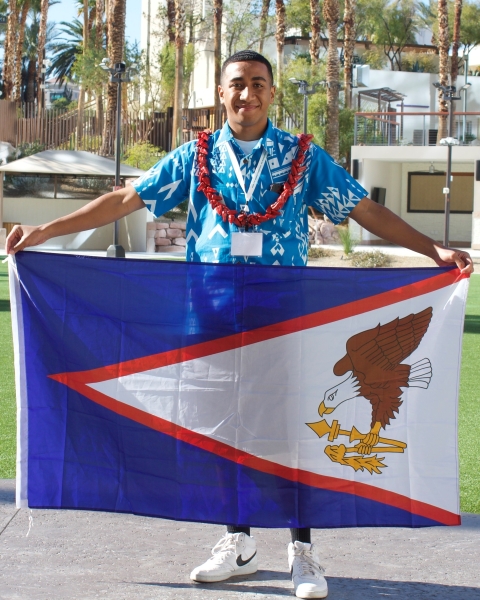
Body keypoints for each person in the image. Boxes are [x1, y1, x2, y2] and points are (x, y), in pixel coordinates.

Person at [6, 50, 473, 599]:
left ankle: (303, 550)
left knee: (293, 433)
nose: (247, 94)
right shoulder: (194, 155)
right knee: (226, 431)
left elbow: (363, 209)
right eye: (236, 85)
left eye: (257, 84)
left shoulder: (303, 156)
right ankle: (238, 542)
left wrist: (432, 248)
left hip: (290, 320)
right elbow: (127, 198)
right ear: (221, 92)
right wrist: (44, 233)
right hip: (210, 317)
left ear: (272, 93)